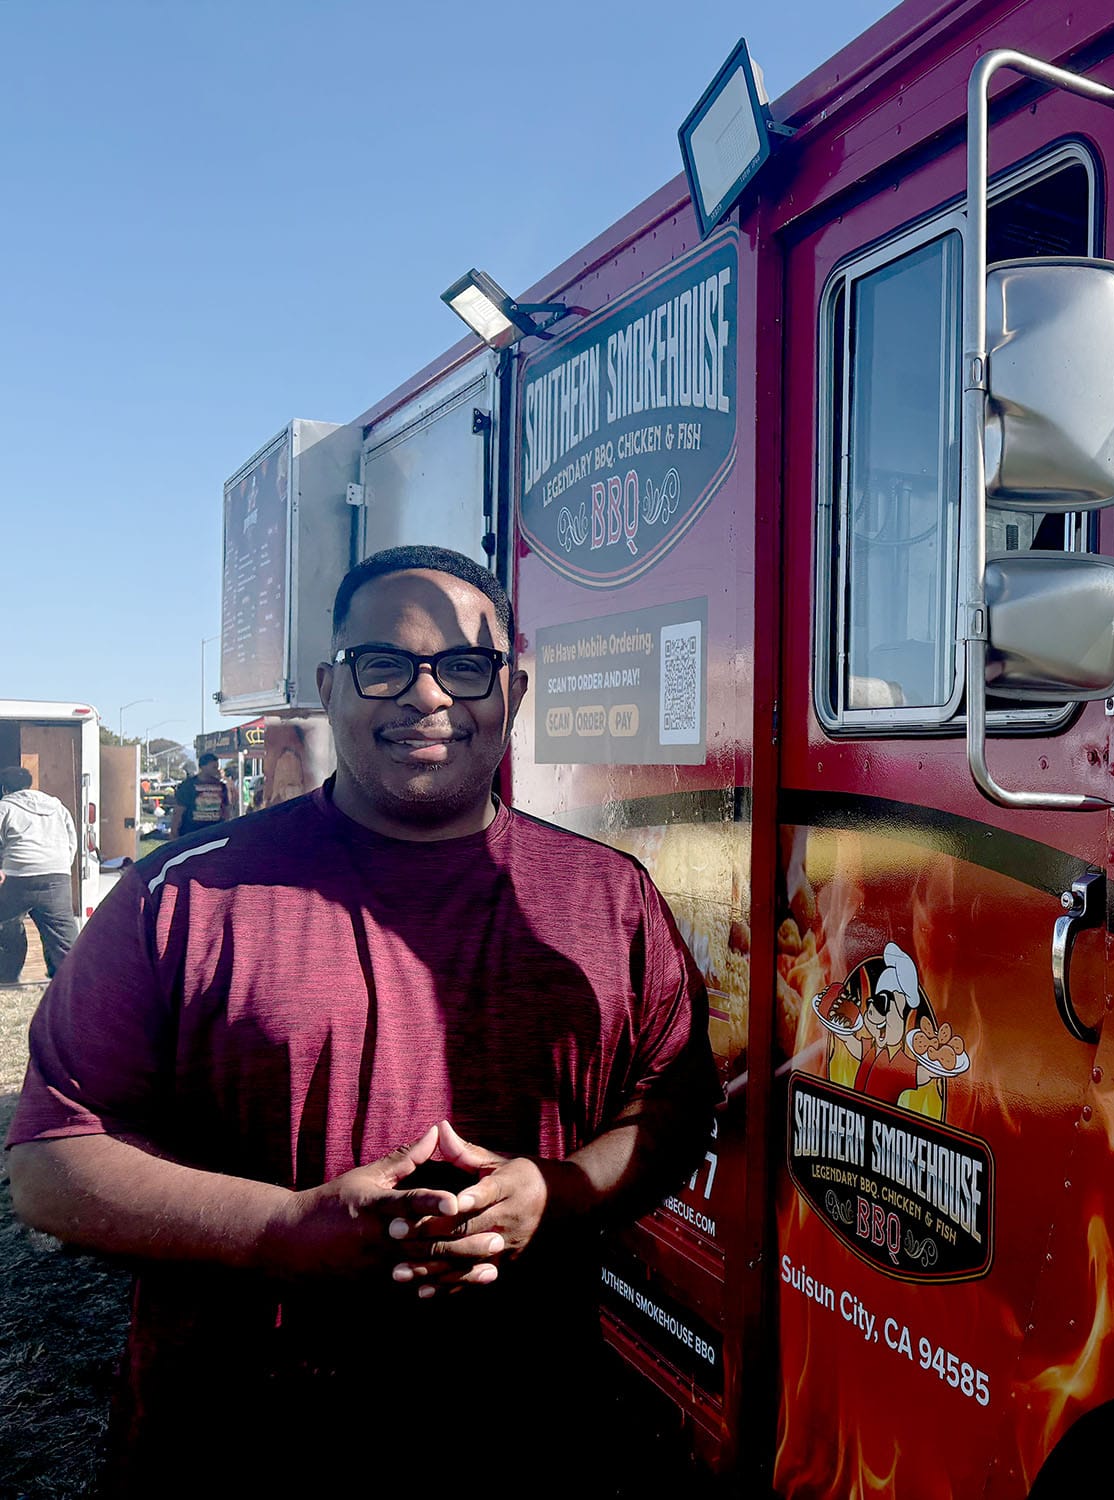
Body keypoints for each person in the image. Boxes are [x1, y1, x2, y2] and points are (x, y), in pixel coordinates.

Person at [8, 545, 718, 1491]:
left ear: (514, 687)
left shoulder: (608, 897)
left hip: (528, 1433)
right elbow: (52, 1164)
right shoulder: (181, 895)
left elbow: (672, 1101)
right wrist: (282, 1228)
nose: (427, 697)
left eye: (464, 667)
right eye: (384, 664)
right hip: (233, 1441)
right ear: (328, 686)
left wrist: (560, 1192)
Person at [0, 765, 79, 985]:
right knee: (63, 936)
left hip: (17, 876)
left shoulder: (5, 807)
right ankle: (68, 983)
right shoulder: (56, 806)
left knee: (6, 927)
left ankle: (7, 979)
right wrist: (62, 865)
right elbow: (71, 840)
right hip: (57, 875)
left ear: (5, 788)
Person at [170, 750, 234, 838]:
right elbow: (179, 811)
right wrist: (174, 833)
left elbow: (226, 810)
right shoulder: (188, 786)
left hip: (214, 833)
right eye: (213, 767)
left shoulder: (222, 786)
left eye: (217, 767)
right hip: (191, 833)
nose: (217, 770)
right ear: (203, 767)